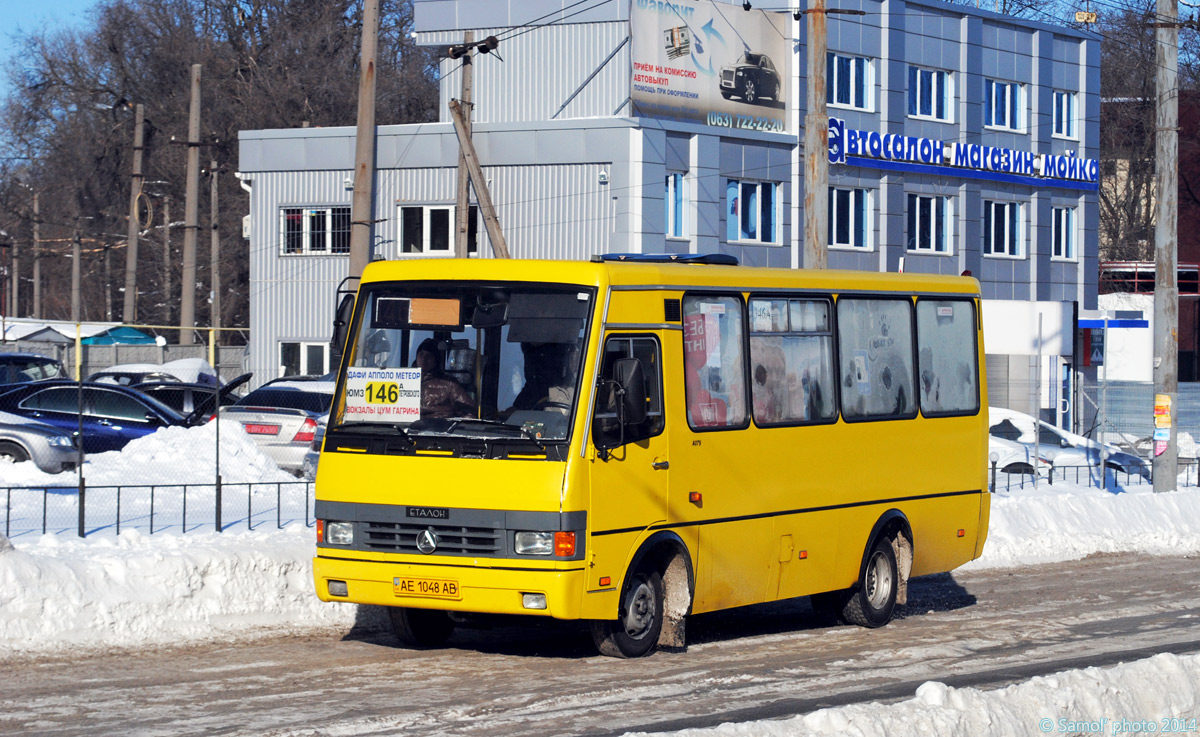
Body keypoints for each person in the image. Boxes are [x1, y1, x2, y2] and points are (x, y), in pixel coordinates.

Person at [414, 339, 473, 419]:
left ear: (435, 361)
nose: (424, 358)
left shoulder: (450, 384)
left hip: (439, 428)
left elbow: (468, 410)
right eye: (421, 354)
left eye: (429, 356)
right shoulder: (405, 381)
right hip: (405, 428)